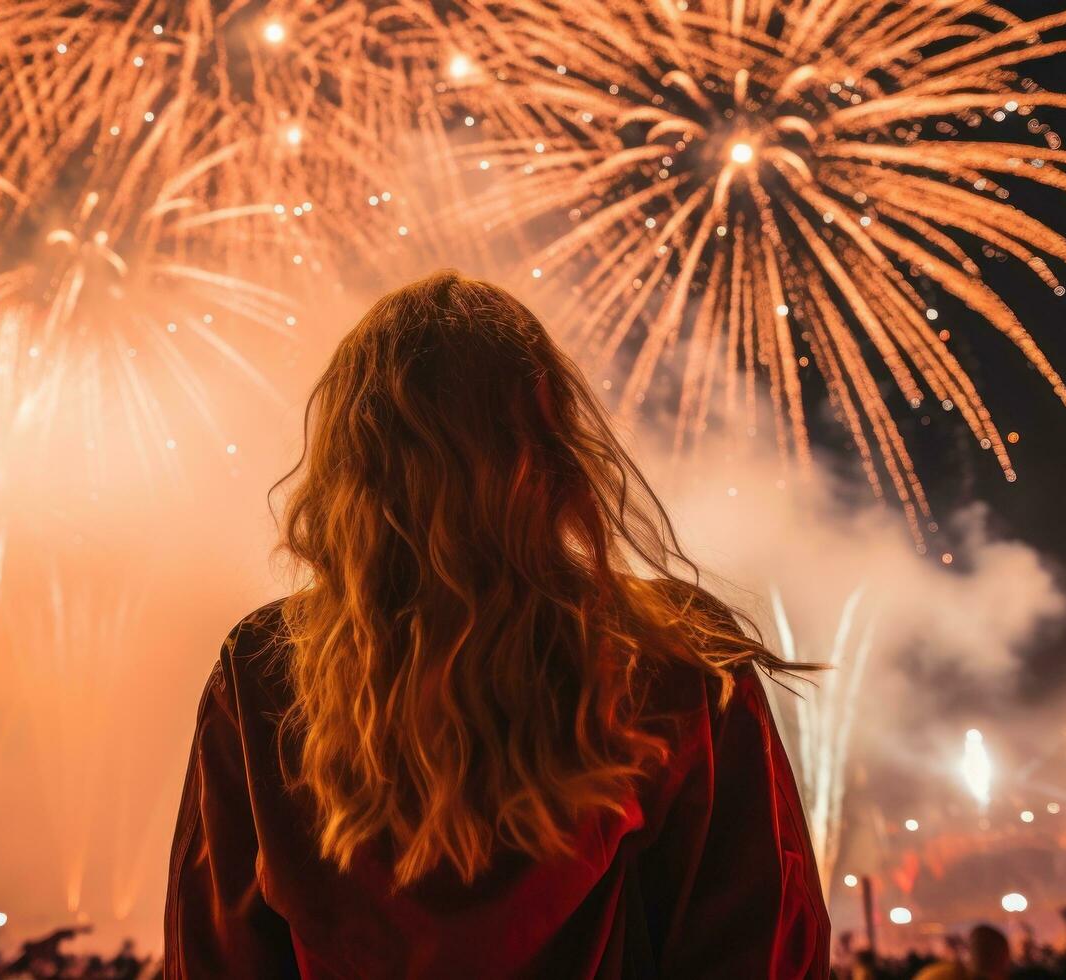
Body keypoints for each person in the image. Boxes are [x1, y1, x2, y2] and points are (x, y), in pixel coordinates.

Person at [162, 271, 829, 977]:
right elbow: (762, 943)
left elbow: (215, 953)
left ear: (351, 461)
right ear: (553, 444)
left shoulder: (267, 665)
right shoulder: (675, 654)